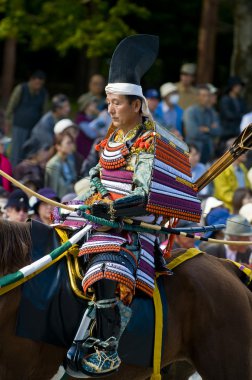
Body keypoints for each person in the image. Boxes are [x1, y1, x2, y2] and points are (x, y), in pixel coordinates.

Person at [56, 35, 201, 377]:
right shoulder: (113, 137)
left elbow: (144, 196)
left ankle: (106, 348)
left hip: (131, 232)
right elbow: (95, 173)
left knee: (108, 263)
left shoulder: (147, 142)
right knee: (55, 238)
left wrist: (108, 209)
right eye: (108, 103)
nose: (110, 110)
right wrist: (94, 196)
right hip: (100, 217)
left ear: (136, 105)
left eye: (117, 103)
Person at [5, 70, 48, 166]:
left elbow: (43, 111)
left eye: (40, 84)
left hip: (34, 128)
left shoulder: (43, 93)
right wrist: (8, 121)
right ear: (31, 80)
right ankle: (12, 172)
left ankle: (24, 173)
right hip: (19, 125)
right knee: (16, 151)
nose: (38, 86)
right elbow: (11, 105)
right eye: (36, 83)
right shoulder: (21, 88)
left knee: (28, 152)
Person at [184, 84, 220, 164]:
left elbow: (218, 131)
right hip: (193, 153)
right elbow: (193, 133)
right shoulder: (190, 111)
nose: (206, 98)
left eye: (208, 96)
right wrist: (210, 130)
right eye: (203, 95)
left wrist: (206, 129)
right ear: (197, 97)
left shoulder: (212, 112)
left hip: (208, 151)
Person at [45, 132, 77, 199]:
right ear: (58, 146)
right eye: (68, 143)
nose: (71, 146)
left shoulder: (70, 161)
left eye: (72, 143)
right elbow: (53, 189)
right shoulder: (53, 164)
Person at [219, 76, 246, 141]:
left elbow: (246, 112)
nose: (239, 88)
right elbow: (228, 115)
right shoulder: (225, 99)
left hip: (239, 130)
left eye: (239, 86)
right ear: (231, 86)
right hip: (228, 132)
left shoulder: (240, 100)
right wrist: (241, 116)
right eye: (236, 86)